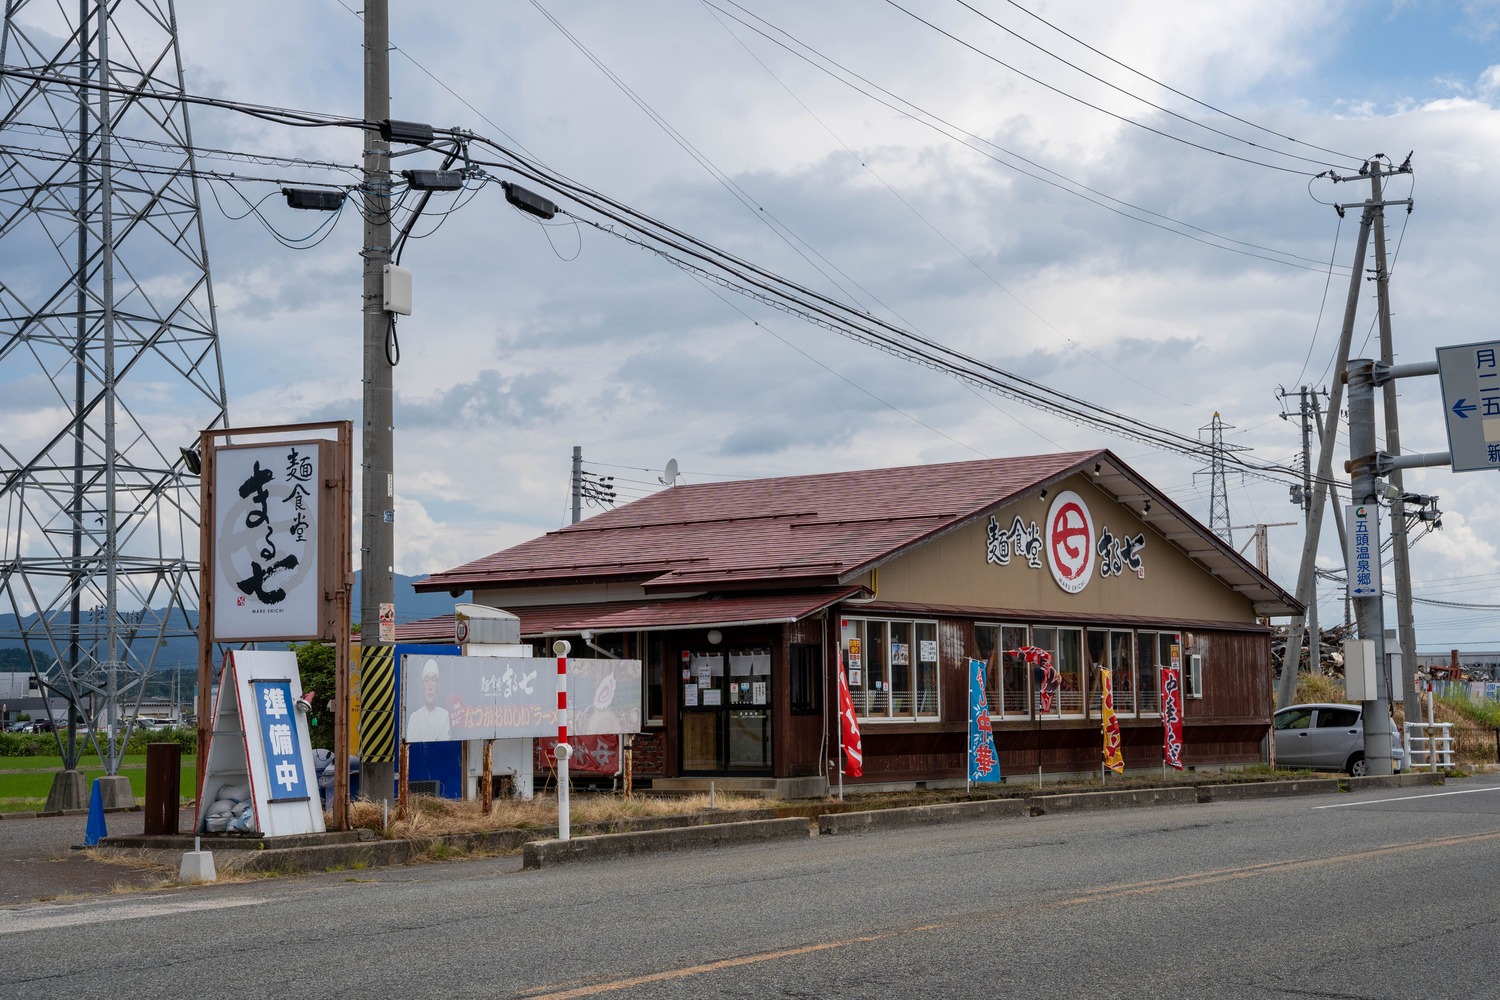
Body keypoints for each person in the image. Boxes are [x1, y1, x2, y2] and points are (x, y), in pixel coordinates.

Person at [406, 657, 451, 741]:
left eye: (433, 680)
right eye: (427, 680)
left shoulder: (444, 715)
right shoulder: (414, 718)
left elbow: (445, 745)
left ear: (438, 685)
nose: (430, 687)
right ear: (422, 685)